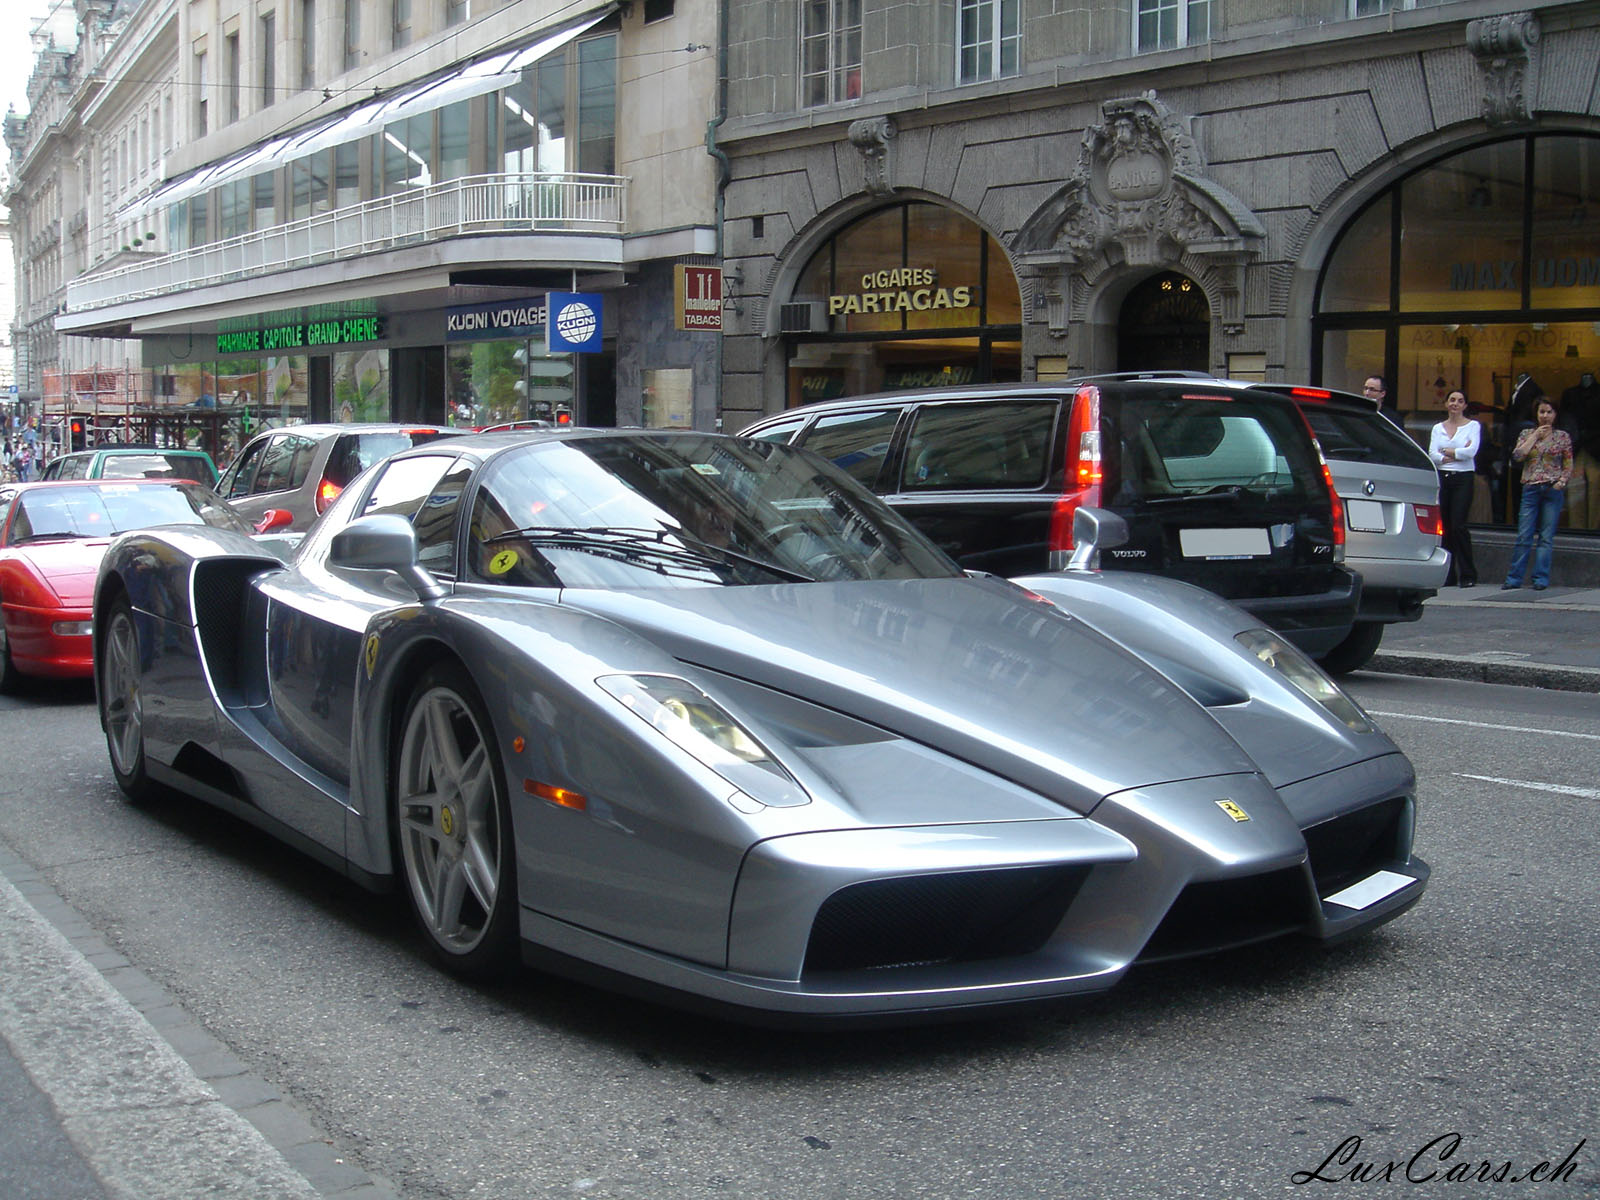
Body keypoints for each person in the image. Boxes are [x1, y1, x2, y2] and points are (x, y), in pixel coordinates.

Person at [1501, 397, 1574, 591]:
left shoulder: (1562, 437)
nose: (1545, 416)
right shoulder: (1526, 433)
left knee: (1545, 536)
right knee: (1524, 535)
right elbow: (1517, 456)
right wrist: (1534, 437)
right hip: (1531, 488)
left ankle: (1540, 578)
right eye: (1542, 412)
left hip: (1552, 489)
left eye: (1549, 412)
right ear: (1536, 414)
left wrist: (1561, 483)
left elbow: (1568, 463)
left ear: (1555, 414)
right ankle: (1514, 578)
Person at [1428, 389, 1480, 587]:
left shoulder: (1473, 426)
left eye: (1460, 401)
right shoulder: (1437, 428)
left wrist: (1449, 451)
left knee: (1459, 525)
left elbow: (1471, 451)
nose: (1455, 404)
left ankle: (1468, 574)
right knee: (1445, 526)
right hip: (1443, 478)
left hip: (1463, 478)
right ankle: (1448, 575)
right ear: (1446, 404)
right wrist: (1453, 454)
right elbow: (1432, 454)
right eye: (1452, 400)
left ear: (1465, 405)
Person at [1563, 370, 1600, 529]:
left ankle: (1594, 527)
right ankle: (1576, 527)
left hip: (1597, 447)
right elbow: (1564, 419)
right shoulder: (1570, 394)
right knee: (1575, 487)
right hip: (1576, 446)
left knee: (1596, 488)